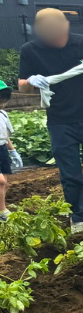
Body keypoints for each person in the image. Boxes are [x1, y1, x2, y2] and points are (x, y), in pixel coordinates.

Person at [17, 7, 83, 234]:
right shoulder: (31, 50)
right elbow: (22, 85)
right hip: (60, 121)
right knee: (70, 174)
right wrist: (32, 81)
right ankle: (78, 217)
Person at [0, 81, 15, 221]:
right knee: (1, 181)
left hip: (2, 149)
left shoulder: (3, 114)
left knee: (5, 182)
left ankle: (1, 207)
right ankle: (2, 211)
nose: (2, 104)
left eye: (4, 101)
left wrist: (13, 151)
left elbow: (6, 136)